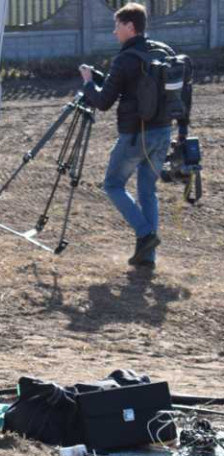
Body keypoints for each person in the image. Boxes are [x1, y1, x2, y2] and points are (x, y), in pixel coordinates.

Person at [79, 3, 175, 270]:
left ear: (130, 27)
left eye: (117, 26)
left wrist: (88, 82)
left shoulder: (124, 59)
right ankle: (147, 257)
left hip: (135, 136)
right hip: (163, 132)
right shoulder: (163, 51)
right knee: (147, 191)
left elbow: (102, 101)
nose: (114, 32)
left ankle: (146, 235)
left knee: (112, 185)